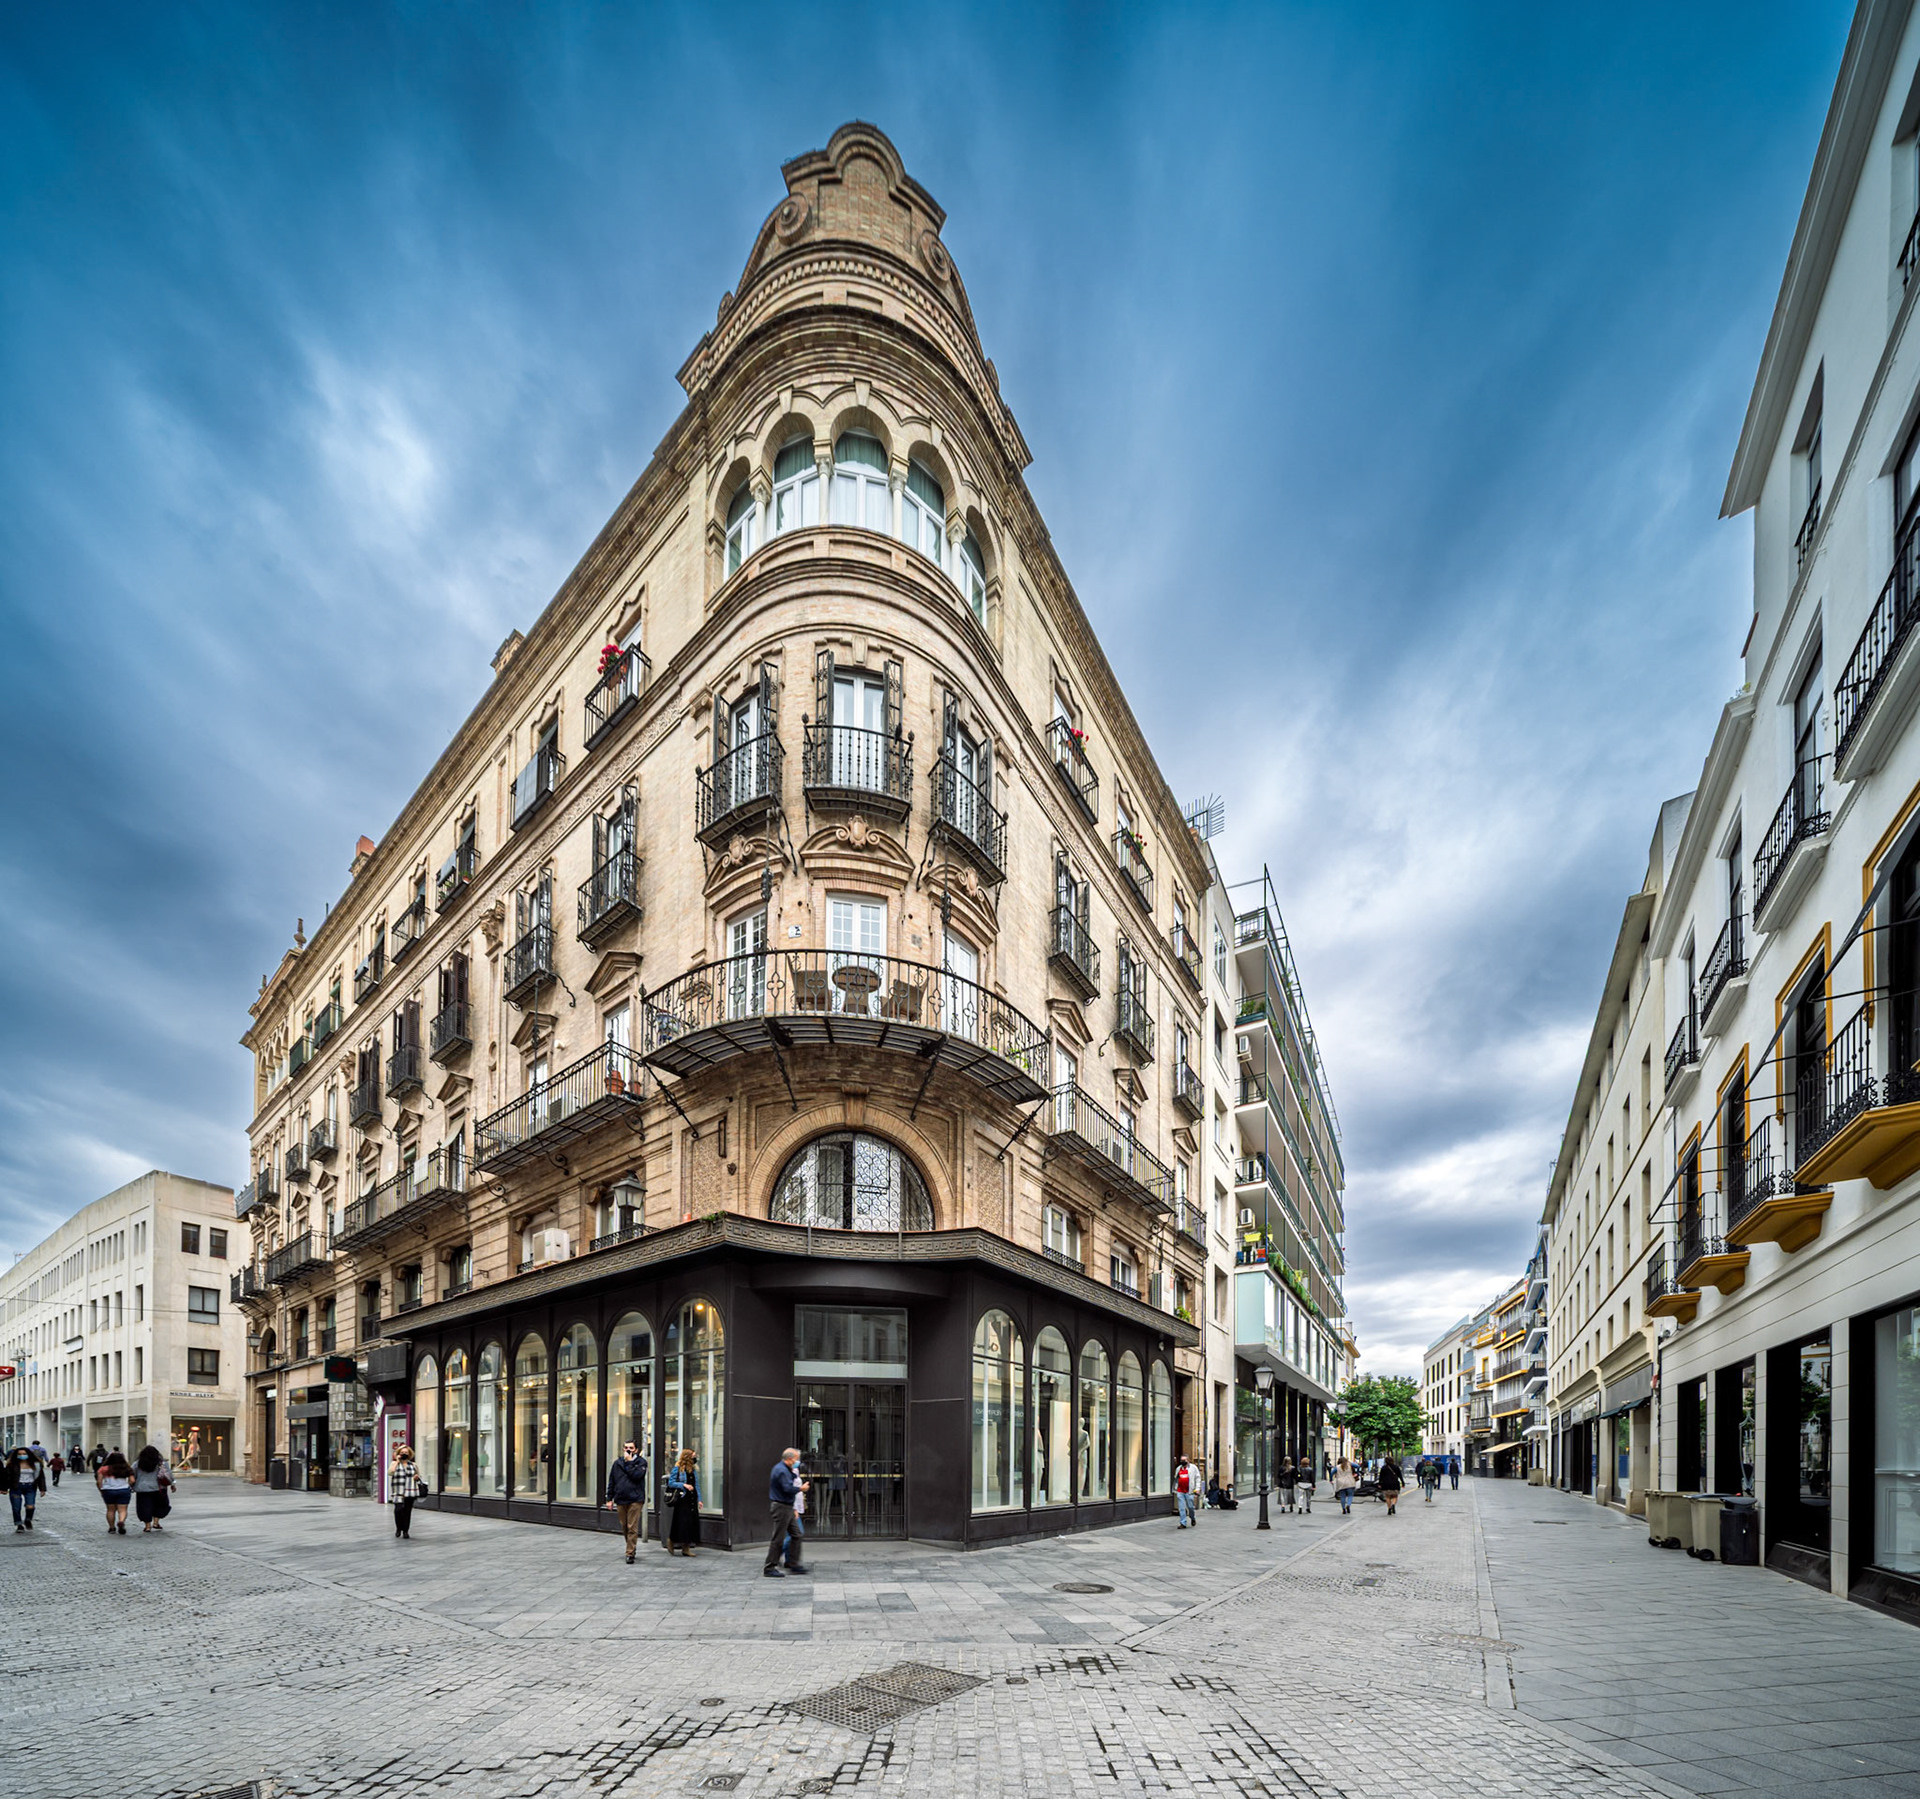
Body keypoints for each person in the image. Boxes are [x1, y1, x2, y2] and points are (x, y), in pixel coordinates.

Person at [763, 1447, 810, 1577]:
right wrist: (801, 1488)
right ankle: (769, 1567)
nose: (798, 1461)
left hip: (787, 1507)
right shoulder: (781, 1470)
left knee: (797, 1534)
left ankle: (793, 1563)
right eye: (796, 1459)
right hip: (781, 1507)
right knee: (778, 1538)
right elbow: (787, 1488)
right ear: (790, 1459)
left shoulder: (785, 1469)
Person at [603, 1438, 649, 1565]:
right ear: (623, 1449)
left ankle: (630, 1553)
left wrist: (629, 1463)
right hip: (621, 1499)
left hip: (635, 1499)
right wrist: (609, 1498)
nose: (628, 1450)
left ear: (636, 1450)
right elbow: (612, 1481)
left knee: (632, 1527)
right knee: (624, 1526)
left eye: (631, 1448)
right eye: (626, 1448)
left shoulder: (641, 1463)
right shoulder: (617, 1463)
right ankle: (631, 1546)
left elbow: (636, 1476)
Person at [665, 1448, 702, 1556]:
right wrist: (684, 1485)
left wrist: (699, 1499)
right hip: (682, 1499)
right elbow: (671, 1483)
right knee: (681, 1523)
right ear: (688, 1457)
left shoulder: (693, 1470)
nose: (695, 1458)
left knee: (691, 1524)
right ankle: (671, 1540)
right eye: (693, 1456)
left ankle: (686, 1548)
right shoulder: (678, 1468)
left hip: (692, 1499)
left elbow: (696, 1485)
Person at [133, 1445, 173, 1533]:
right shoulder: (161, 1463)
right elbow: (169, 1474)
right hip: (159, 1488)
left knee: (144, 1507)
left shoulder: (138, 1463)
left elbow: (133, 1474)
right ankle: (156, 1522)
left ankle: (147, 1526)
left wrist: (132, 1485)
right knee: (159, 1505)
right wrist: (172, 1484)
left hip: (142, 1488)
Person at [6, 1445, 45, 1532]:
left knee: (30, 1506)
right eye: (20, 1454)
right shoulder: (12, 1464)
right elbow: (7, 1476)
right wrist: (4, 1488)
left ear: (28, 1454)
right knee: (16, 1507)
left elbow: (41, 1477)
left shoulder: (36, 1464)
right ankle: (19, 1524)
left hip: (30, 1487)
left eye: (24, 1454)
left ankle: (28, 1519)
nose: (22, 1455)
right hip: (16, 1487)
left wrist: (42, 1489)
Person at [388, 1443, 423, 1538]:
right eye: (402, 1452)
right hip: (398, 1491)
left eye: (406, 1453)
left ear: (409, 1454)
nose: (404, 1454)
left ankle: (405, 1531)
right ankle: (398, 1528)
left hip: (410, 1491)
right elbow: (390, 1473)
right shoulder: (394, 1464)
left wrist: (417, 1477)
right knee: (398, 1510)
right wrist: (397, 1461)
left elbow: (418, 1476)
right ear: (398, 1453)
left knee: (407, 1511)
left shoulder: (413, 1465)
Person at [97, 1450, 133, 1533]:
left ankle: (112, 1528)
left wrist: (101, 1490)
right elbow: (132, 1480)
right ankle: (121, 1521)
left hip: (108, 1490)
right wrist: (128, 1486)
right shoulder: (126, 1468)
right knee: (123, 1509)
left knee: (110, 1510)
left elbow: (99, 1481)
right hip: (123, 1489)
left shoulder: (103, 1469)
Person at [1174, 1455, 1198, 1529]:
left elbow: (1197, 1478)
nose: (1182, 1462)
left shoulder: (1193, 1468)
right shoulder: (1178, 1468)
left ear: (1188, 1460)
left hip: (1189, 1491)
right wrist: (1175, 1488)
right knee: (1181, 1507)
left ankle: (1192, 1517)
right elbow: (1176, 1478)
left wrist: (1197, 1488)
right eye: (1181, 1460)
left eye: (1184, 1460)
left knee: (1190, 1507)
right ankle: (1183, 1523)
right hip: (1180, 1491)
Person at [1378, 1452, 1403, 1517]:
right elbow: (1400, 1476)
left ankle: (1389, 1508)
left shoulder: (1383, 1468)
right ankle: (1393, 1505)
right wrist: (1403, 1482)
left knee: (1387, 1497)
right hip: (1394, 1483)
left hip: (1386, 1484)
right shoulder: (1396, 1467)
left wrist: (1380, 1483)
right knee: (1395, 1496)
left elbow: (1381, 1477)